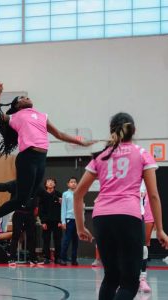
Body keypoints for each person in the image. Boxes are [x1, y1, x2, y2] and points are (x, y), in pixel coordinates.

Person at [0, 81, 94, 239]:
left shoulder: (42, 116)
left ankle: (1, 215)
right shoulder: (15, 116)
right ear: (18, 105)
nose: (26, 97)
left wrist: (80, 141)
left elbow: (59, 134)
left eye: (27, 96)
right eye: (22, 97)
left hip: (41, 159)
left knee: (25, 199)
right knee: (20, 199)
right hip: (27, 157)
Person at [73, 112, 168, 300]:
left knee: (111, 277)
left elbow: (78, 194)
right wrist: (161, 229)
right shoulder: (141, 154)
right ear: (134, 130)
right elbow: (153, 195)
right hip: (128, 216)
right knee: (130, 282)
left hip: (101, 218)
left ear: (111, 131)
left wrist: (80, 227)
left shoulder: (101, 156)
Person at [0, 181, 39, 265]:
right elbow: (3, 186)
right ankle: (12, 258)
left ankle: (32, 258)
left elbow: (43, 195)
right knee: (15, 234)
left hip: (28, 214)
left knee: (30, 235)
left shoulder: (34, 185)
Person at [38, 178, 62, 264]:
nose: (51, 183)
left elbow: (61, 209)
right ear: (46, 184)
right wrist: (43, 221)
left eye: (52, 182)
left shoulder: (59, 194)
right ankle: (46, 258)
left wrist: (60, 221)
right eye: (49, 181)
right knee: (46, 240)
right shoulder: (42, 195)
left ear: (55, 184)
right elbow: (40, 210)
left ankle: (58, 258)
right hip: (46, 221)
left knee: (58, 240)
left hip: (57, 221)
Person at [138, 181, 154, 293]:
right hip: (121, 215)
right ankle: (123, 280)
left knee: (143, 249)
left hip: (138, 215)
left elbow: (151, 196)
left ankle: (142, 279)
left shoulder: (142, 179)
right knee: (123, 249)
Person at [60, 177, 79, 266]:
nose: (73, 183)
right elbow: (63, 208)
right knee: (67, 240)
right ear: (68, 184)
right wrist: (63, 221)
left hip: (78, 220)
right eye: (71, 182)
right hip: (69, 219)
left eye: (75, 182)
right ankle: (63, 258)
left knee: (76, 241)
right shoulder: (65, 194)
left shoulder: (79, 193)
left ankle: (74, 259)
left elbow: (81, 207)